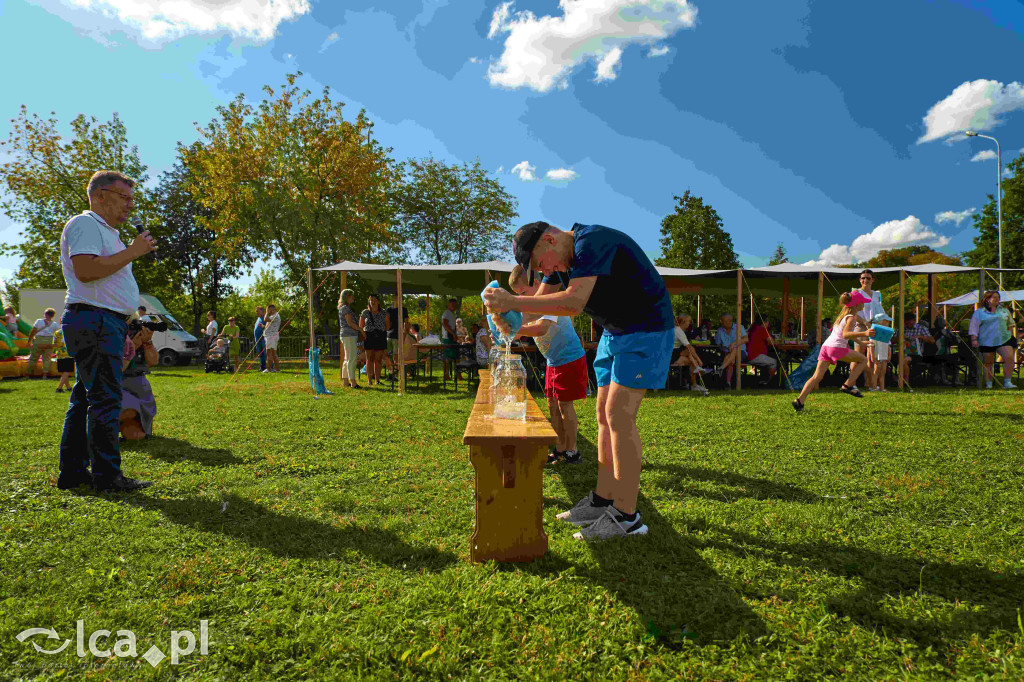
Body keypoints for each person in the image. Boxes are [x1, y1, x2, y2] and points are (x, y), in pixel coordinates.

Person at [484, 221, 675, 541]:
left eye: (541, 264)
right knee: (603, 416)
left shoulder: (593, 243)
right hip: (614, 333)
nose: (547, 270)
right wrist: (505, 320)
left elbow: (572, 303)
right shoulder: (560, 261)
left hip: (646, 329)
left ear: (549, 239)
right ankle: (602, 501)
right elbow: (534, 313)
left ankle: (628, 517)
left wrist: (512, 302)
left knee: (618, 415)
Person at [58, 169, 156, 492]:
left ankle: (73, 471)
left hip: (104, 322)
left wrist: (123, 326)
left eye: (132, 199)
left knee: (87, 399)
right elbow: (85, 270)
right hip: (94, 320)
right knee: (105, 399)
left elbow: (108, 283)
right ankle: (107, 477)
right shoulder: (86, 224)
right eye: (123, 198)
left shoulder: (109, 233)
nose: (130, 206)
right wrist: (133, 251)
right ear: (99, 196)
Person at [509, 264, 589, 464]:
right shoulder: (532, 307)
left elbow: (541, 330)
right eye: (518, 295)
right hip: (553, 362)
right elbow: (524, 326)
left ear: (537, 283)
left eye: (523, 292)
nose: (522, 297)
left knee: (564, 406)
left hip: (570, 359)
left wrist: (518, 329)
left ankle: (573, 450)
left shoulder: (549, 302)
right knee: (552, 405)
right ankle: (560, 448)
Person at [792, 291, 875, 412]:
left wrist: (862, 343)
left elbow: (845, 334)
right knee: (863, 359)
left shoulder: (843, 316)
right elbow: (846, 334)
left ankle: (799, 401)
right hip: (836, 348)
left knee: (816, 377)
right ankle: (848, 385)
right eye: (862, 302)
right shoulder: (851, 318)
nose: (864, 304)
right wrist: (865, 333)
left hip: (826, 347)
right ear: (857, 304)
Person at [969, 290, 1018, 390]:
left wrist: (1009, 333)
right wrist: (974, 339)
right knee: (988, 362)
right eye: (994, 297)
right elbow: (973, 327)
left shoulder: (1004, 310)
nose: (997, 299)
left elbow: (1011, 323)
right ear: (987, 299)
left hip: (1004, 339)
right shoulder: (979, 312)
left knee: (1009, 357)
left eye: (998, 297)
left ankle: (1007, 381)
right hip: (986, 340)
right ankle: (989, 383)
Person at [120, 325, 158, 440]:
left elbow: (153, 361)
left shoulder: (141, 339)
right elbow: (117, 369)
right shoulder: (116, 336)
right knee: (130, 409)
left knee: (137, 437)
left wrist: (147, 342)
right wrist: (132, 345)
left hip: (139, 381)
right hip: (118, 382)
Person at [856, 270, 884, 389]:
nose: (865, 280)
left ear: (873, 280)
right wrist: (864, 322)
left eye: (868, 278)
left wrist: (880, 323)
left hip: (874, 327)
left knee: (872, 357)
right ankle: (852, 384)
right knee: (858, 356)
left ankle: (870, 384)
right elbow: (852, 313)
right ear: (860, 280)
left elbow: (880, 311)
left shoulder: (877, 294)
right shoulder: (856, 293)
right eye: (863, 278)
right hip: (861, 326)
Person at [671, 314, 709, 396]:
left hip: (673, 353)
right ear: (683, 322)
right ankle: (697, 372)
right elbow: (689, 347)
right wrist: (699, 360)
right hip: (671, 356)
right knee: (690, 351)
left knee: (691, 357)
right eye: (688, 321)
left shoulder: (677, 330)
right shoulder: (678, 331)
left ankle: (695, 382)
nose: (689, 323)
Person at [360, 293, 389, 386]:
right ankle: (369, 380)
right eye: (370, 300)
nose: (372, 302)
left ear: (378, 301)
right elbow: (361, 326)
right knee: (369, 359)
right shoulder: (365, 312)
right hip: (369, 337)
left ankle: (377, 380)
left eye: (374, 300)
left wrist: (380, 331)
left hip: (380, 337)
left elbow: (387, 326)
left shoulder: (384, 313)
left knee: (378, 359)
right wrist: (364, 335)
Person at [899, 312, 934, 388]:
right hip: (903, 352)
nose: (907, 323)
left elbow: (932, 340)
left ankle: (902, 380)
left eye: (909, 321)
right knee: (903, 361)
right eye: (905, 321)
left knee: (904, 360)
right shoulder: (902, 328)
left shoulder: (921, 328)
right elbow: (893, 340)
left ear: (914, 320)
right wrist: (901, 337)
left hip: (916, 354)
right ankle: (904, 381)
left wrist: (921, 337)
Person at [714, 313, 748, 388]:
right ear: (721, 322)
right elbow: (718, 345)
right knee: (731, 359)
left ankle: (721, 368)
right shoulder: (720, 330)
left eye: (729, 321)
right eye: (725, 321)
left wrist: (734, 343)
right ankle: (728, 383)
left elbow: (746, 339)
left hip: (741, 352)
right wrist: (725, 348)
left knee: (735, 349)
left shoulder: (739, 327)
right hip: (727, 353)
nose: (728, 323)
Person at [337, 288, 361, 389]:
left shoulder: (342, 308)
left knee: (347, 358)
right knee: (352, 358)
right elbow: (350, 323)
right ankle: (353, 382)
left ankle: (346, 381)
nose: (353, 298)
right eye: (352, 296)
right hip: (349, 335)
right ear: (347, 297)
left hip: (345, 335)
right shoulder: (346, 308)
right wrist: (361, 330)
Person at [27, 307, 60, 378]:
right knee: (47, 359)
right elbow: (59, 333)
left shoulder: (39, 321)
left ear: (45, 314)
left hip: (39, 341)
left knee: (33, 358)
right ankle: (44, 375)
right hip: (49, 341)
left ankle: (29, 373)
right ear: (53, 316)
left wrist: (29, 341)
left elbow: (33, 331)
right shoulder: (55, 325)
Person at [745, 319, 778, 384]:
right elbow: (772, 342)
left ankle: (763, 378)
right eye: (768, 322)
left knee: (770, 357)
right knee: (774, 362)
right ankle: (769, 382)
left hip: (748, 354)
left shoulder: (752, 329)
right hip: (755, 356)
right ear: (764, 322)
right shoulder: (763, 329)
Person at [869, 312, 893, 392]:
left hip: (884, 355)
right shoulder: (874, 334)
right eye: (886, 321)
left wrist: (889, 355)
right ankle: (874, 387)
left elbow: (888, 346)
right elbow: (871, 345)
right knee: (876, 370)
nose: (888, 323)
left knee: (883, 371)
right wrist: (872, 355)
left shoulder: (887, 334)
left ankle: (882, 387)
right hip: (877, 354)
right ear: (881, 322)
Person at [386, 296, 409, 373]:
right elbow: (386, 322)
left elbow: (407, 323)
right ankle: (390, 371)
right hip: (388, 335)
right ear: (393, 299)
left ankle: (397, 373)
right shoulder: (389, 310)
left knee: (396, 355)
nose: (398, 300)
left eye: (400, 298)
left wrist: (404, 334)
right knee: (383, 353)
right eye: (396, 298)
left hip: (398, 335)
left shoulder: (403, 310)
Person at [441, 298, 458, 381]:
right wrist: (453, 333)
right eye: (452, 304)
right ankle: (446, 374)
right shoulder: (447, 313)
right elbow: (444, 324)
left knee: (455, 356)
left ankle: (458, 374)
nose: (454, 306)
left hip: (451, 338)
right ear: (448, 305)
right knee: (447, 357)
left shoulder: (451, 314)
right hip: (447, 338)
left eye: (455, 304)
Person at [52, 328, 73, 393]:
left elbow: (54, 344)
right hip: (68, 353)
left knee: (64, 371)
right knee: (67, 371)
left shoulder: (57, 332)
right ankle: (59, 388)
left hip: (59, 354)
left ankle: (68, 387)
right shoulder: (72, 331)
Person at [264, 303, 283, 373]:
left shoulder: (275, 316)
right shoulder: (275, 316)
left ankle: (269, 369)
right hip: (272, 336)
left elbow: (265, 319)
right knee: (274, 353)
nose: (269, 312)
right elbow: (269, 324)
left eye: (269, 310)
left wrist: (266, 312)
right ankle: (277, 369)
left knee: (269, 353)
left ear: (272, 309)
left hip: (271, 337)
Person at [253, 305, 267, 373]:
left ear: (262, 311)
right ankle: (262, 367)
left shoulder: (265, 318)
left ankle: (269, 366)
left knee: (265, 353)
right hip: (257, 338)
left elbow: (268, 327)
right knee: (260, 353)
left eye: (258, 311)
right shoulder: (258, 318)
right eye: (256, 311)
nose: (256, 312)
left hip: (263, 338)